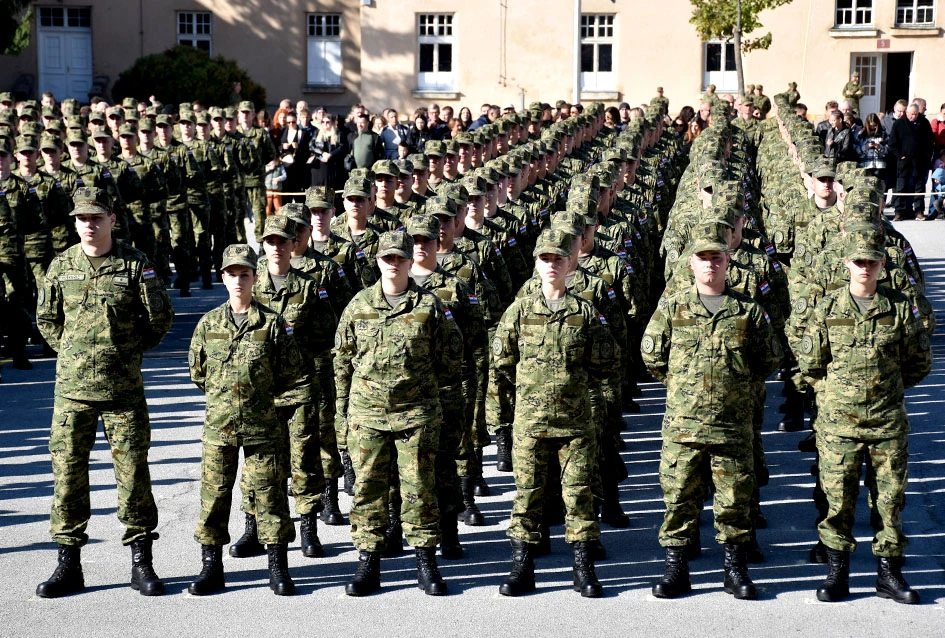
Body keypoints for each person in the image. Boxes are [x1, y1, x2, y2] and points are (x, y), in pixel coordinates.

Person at [35, 186, 174, 598]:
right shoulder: (60, 266)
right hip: (72, 393)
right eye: (82, 218)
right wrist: (76, 353)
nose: (89, 224)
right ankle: (68, 563)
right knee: (68, 477)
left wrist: (124, 352)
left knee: (133, 476)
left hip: (122, 390)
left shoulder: (135, 265)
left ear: (112, 219)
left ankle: (141, 560)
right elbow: (47, 319)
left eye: (96, 217)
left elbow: (159, 318)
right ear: (74, 222)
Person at [642, 220, 780, 601]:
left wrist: (734, 386)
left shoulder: (747, 310)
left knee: (734, 501)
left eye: (716, 258)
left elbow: (768, 357)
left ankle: (735, 572)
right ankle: (676, 571)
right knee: (679, 499)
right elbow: (652, 354)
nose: (709, 265)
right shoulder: (673, 307)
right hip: (684, 425)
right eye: (702, 258)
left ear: (728, 261)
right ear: (691, 263)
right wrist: (683, 385)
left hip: (731, 426)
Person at [797, 225, 932, 604]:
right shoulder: (827, 309)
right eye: (858, 262)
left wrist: (885, 388)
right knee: (838, 502)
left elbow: (919, 361)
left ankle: (889, 575)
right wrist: (840, 393)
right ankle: (837, 574)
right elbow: (811, 363)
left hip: (887, 422)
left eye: (872, 262)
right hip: (839, 425)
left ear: (882, 265)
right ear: (847, 264)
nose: (865, 268)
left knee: (889, 502)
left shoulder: (900, 309)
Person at [333, 230, 463, 597]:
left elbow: (451, 358)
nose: (393, 264)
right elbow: (342, 363)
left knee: (420, 490)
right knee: (368, 491)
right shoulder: (358, 305)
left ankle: (426, 563)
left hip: (416, 415)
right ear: (377, 261)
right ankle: (368, 565)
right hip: (367, 416)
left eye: (399, 258)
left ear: (410, 261)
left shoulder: (430, 306)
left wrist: (422, 391)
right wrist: (343, 417)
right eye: (386, 258)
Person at [489, 228, 617, 598]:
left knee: (578, 496)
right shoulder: (519, 311)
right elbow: (500, 364)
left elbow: (606, 362)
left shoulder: (585, 313)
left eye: (558, 259)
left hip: (575, 423)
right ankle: (522, 569)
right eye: (545, 259)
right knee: (527, 496)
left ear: (569, 262)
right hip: (530, 424)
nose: (551, 265)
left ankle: (583, 569)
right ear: (535, 263)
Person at [187, 243, 311, 597]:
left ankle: (278, 568)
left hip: (263, 428)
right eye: (232, 274)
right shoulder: (208, 325)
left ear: (255, 278)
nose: (238, 280)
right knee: (214, 499)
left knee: (270, 497)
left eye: (245, 274)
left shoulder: (273, 324)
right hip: (219, 429)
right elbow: (199, 373)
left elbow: (291, 374)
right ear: (222, 278)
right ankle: (212, 568)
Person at [309, 113, 345, 189]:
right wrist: (322, 153)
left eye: (327, 122)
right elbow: (311, 146)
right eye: (323, 122)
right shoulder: (317, 132)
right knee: (317, 188)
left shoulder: (338, 133)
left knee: (330, 188)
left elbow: (342, 147)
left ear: (332, 122)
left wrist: (330, 154)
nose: (325, 124)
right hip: (318, 164)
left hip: (332, 165)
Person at [856, 113, 888, 180]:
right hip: (865, 165)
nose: (873, 128)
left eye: (874, 125)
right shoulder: (861, 134)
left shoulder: (883, 133)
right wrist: (866, 147)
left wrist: (879, 147)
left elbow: (888, 150)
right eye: (871, 126)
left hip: (879, 165)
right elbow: (856, 150)